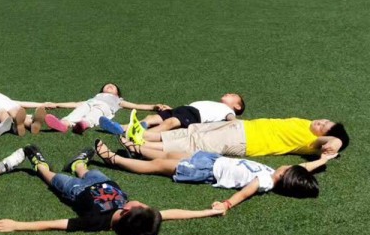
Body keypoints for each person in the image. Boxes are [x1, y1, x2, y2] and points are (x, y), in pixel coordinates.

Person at [0, 145, 222, 235]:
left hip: (75, 191)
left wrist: (16, 225)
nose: (142, 203)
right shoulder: (140, 217)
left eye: (140, 205)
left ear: (126, 211)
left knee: (53, 178)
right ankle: (78, 164)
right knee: (88, 171)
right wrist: (207, 212)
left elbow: (56, 224)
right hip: (104, 183)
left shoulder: (97, 221)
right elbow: (173, 213)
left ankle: (39, 164)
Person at [95, 139, 332, 211]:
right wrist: (322, 160)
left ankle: (114, 159)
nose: (288, 165)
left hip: (206, 171)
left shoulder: (267, 181)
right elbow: (305, 168)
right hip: (212, 160)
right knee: (171, 154)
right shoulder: (274, 174)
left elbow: (246, 192)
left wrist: (227, 204)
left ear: (287, 176)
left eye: (290, 168)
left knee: (158, 165)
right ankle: (136, 149)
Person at [125, 117, 349, 159]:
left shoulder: (311, 143)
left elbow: (328, 143)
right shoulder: (305, 122)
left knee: (195, 143)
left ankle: (142, 146)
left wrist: (335, 142)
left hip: (244, 141)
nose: (321, 123)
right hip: (241, 126)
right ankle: (146, 135)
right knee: (193, 131)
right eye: (324, 120)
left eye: (324, 128)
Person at [99, 93, 245, 138]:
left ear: (237, 106)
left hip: (195, 115)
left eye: (232, 95)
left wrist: (239, 123)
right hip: (185, 109)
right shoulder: (216, 104)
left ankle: (142, 136)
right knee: (151, 118)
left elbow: (231, 119)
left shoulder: (228, 111)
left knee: (169, 123)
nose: (228, 94)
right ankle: (121, 128)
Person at [43, 83, 156, 135]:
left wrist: (153, 106)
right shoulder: (94, 98)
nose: (110, 85)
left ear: (117, 94)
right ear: (101, 91)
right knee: (80, 109)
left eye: (113, 86)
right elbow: (75, 104)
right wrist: (56, 104)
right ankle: (64, 123)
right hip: (90, 103)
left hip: (105, 107)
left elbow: (136, 106)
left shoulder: (118, 100)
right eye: (107, 85)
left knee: (97, 112)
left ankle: (84, 124)